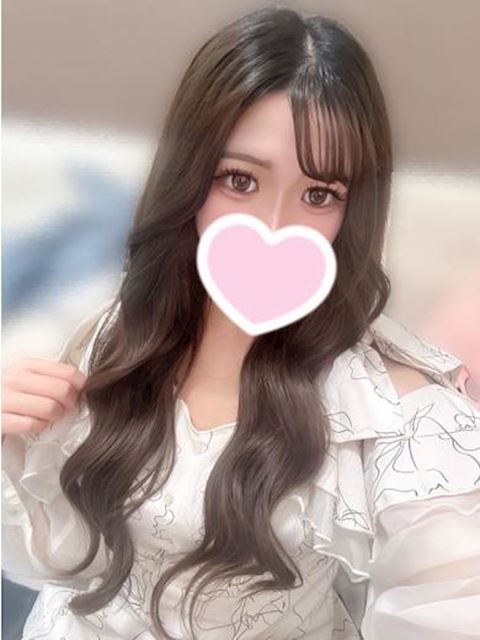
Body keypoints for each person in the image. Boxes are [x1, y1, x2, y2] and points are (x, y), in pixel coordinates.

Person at [2, 7, 479, 640]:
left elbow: (448, 606)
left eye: (319, 195)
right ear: (189, 174)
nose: (274, 226)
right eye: (239, 180)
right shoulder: (117, 331)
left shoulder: (394, 412)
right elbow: (60, 559)